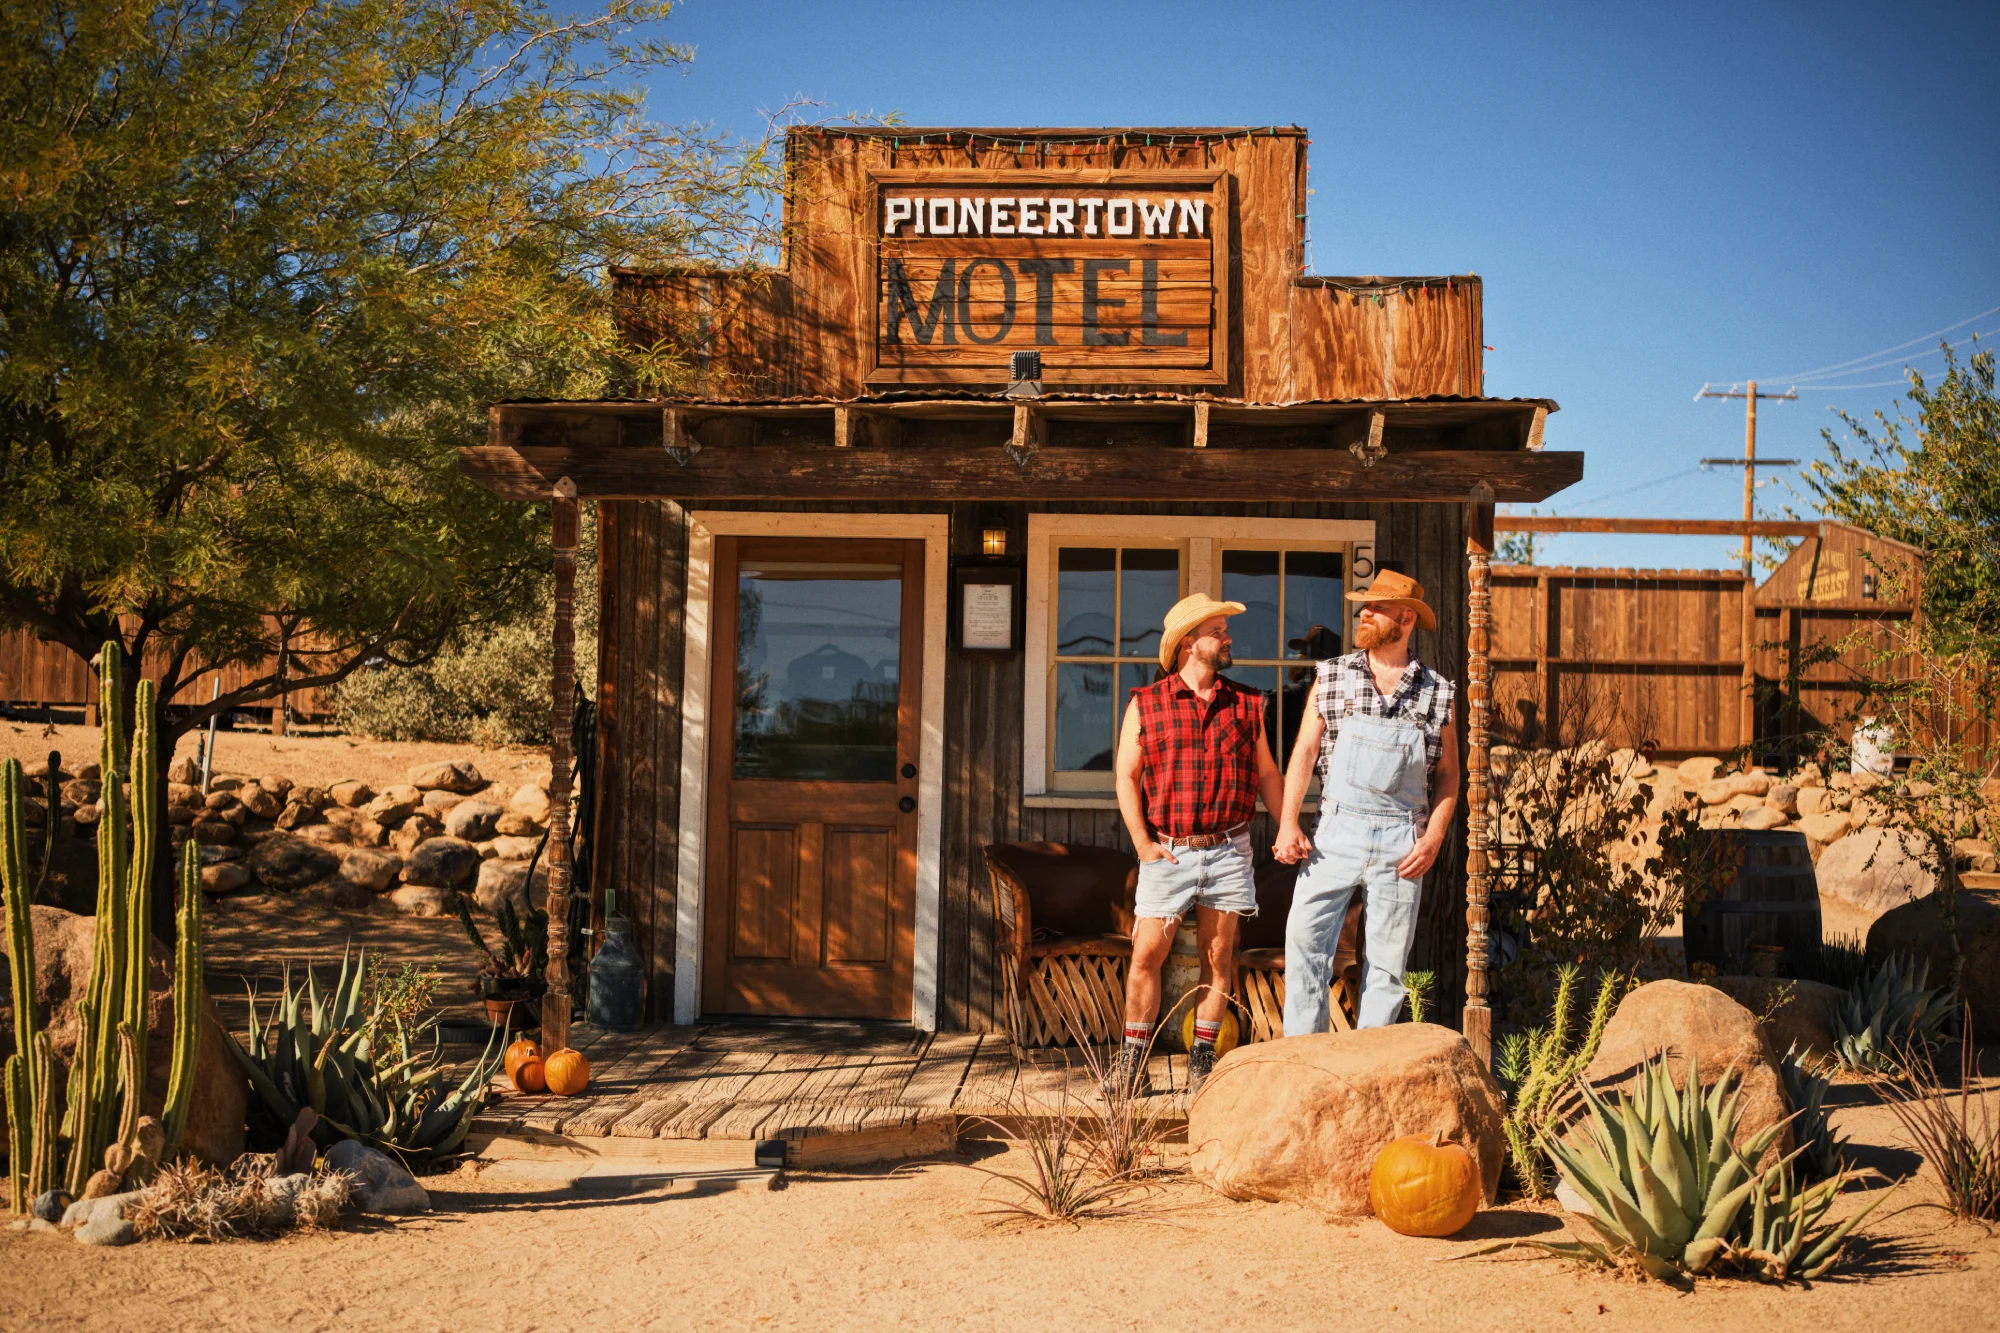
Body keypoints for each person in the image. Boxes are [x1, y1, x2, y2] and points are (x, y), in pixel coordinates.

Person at [1111, 593, 1286, 1096]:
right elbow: (1126, 776)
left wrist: (1288, 826)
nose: (1227, 638)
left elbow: (1267, 773)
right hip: (1169, 849)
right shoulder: (1146, 703)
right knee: (1147, 954)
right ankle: (1132, 1064)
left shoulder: (1248, 703)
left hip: (1230, 849)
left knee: (1219, 958)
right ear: (1189, 644)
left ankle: (1202, 1060)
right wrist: (1142, 843)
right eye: (1217, 631)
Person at [1273, 570, 1460, 1032]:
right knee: (1305, 944)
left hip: (1403, 839)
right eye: (1364, 606)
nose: (1364, 614)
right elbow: (1305, 752)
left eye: (1375, 608)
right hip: (1335, 833)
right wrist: (1288, 822)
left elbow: (1451, 774)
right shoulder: (1331, 675)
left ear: (1406, 617)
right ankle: (1304, 1057)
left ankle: (1368, 1068)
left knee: (1388, 964)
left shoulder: (1438, 692)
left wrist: (1433, 837)